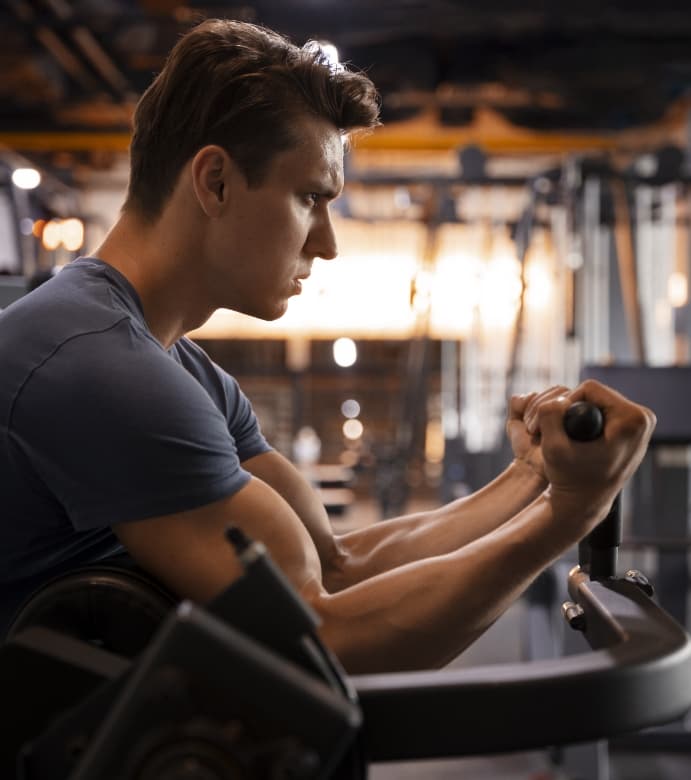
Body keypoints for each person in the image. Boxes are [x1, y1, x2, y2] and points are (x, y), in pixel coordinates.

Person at [0, 19, 655, 673]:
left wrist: (533, 477)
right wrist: (572, 509)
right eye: (310, 197)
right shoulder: (96, 364)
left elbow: (338, 565)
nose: (328, 242)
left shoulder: (174, 367)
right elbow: (328, 638)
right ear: (216, 182)